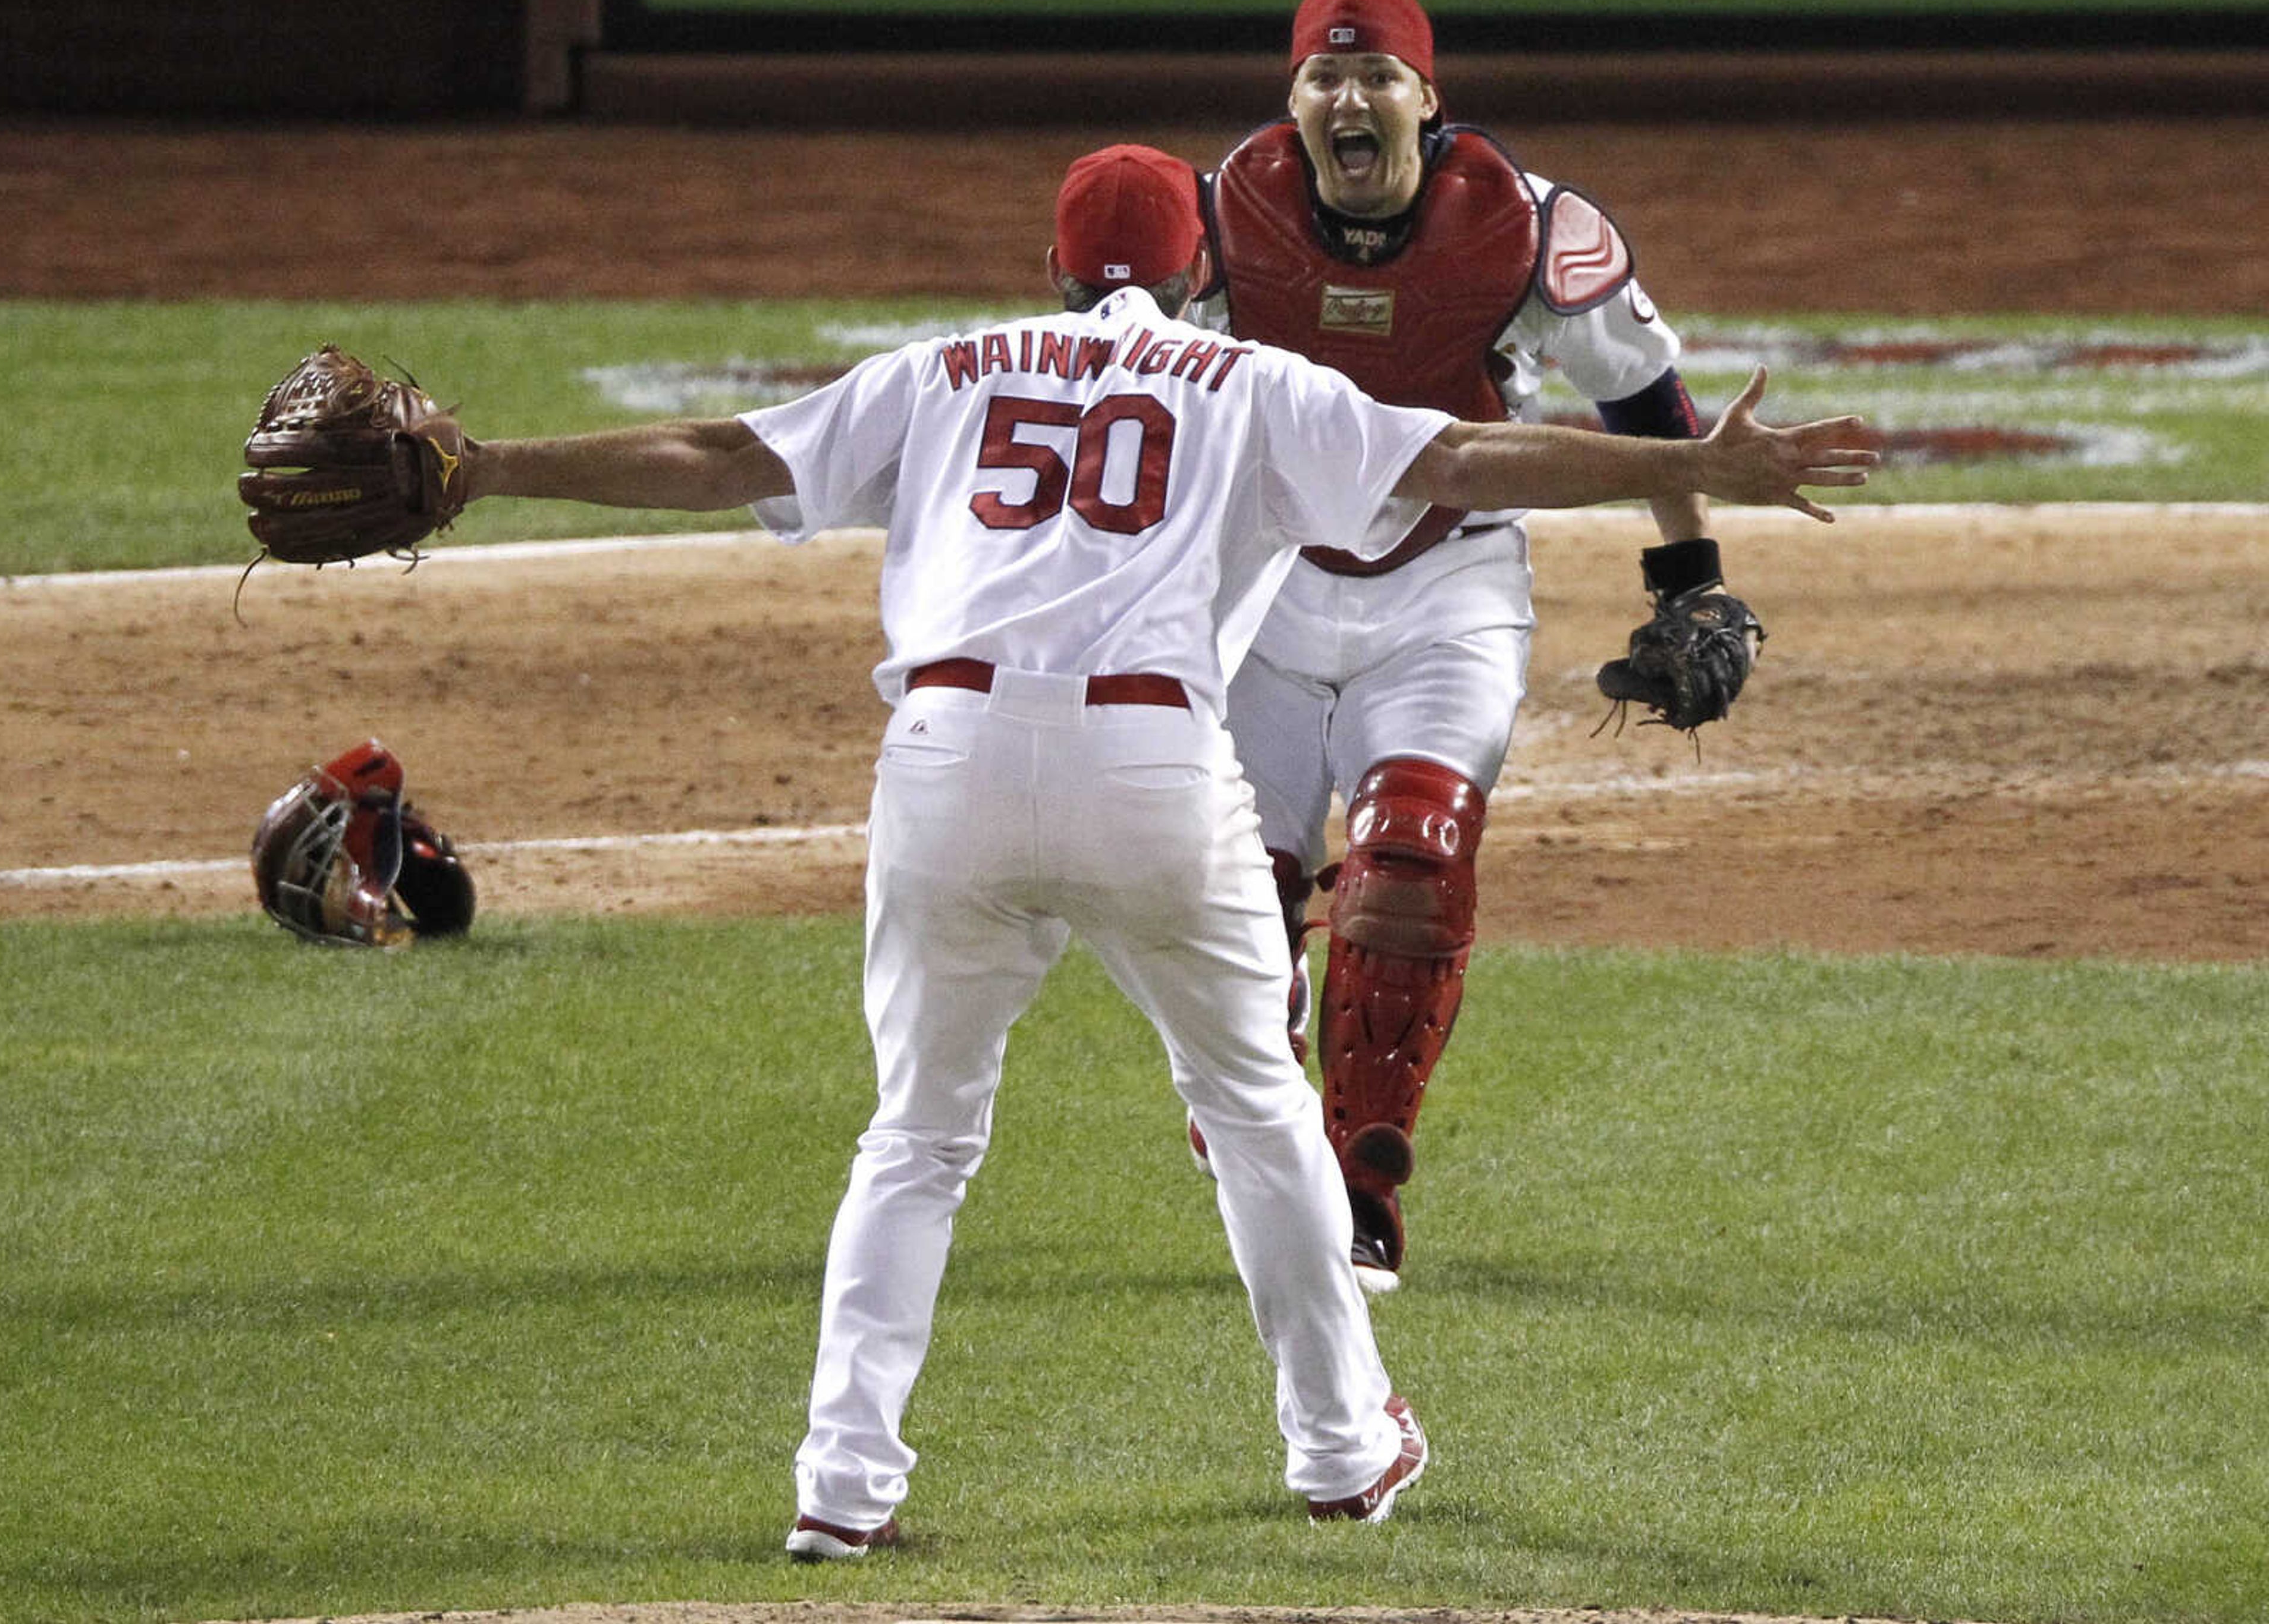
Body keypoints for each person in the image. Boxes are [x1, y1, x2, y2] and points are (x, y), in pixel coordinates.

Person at [440, 145, 1872, 1552]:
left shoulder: (944, 368)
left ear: (1051, 268)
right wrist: (1694, 465)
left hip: (947, 767)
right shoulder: (1253, 380)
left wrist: (487, 464)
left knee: (918, 1139)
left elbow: (711, 455)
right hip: (1154, 773)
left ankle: (842, 1484)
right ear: (1202, 269)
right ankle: (1343, 1447)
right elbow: (1464, 453)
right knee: (1257, 1110)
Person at [1183, 0, 1763, 1292]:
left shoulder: (1524, 226)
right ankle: (1262, 1129)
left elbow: (1644, 409)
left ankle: (1364, 1189)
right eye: (1323, 79)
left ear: (1426, 101)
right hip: (1261, 590)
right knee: (1236, 906)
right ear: (1291, 106)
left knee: (1413, 860)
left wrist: (1689, 578)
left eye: (1377, 76)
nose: (1350, 99)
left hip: (1446, 585)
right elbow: (1127, 382)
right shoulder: (1225, 215)